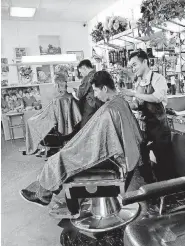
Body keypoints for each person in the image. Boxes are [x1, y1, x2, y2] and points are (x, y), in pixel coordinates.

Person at [20, 71, 148, 215]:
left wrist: (73, 149)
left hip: (110, 158)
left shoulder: (109, 110)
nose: (95, 94)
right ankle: (44, 191)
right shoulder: (120, 102)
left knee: (59, 160)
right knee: (65, 155)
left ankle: (49, 197)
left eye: (96, 90)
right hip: (118, 155)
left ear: (104, 89)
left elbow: (97, 142)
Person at [120, 49, 176, 182]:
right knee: (143, 161)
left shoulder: (158, 78)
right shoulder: (138, 83)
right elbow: (138, 104)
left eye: (134, 64)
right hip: (144, 128)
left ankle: (169, 195)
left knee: (164, 163)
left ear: (145, 62)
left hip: (159, 129)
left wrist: (134, 94)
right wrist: (125, 104)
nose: (133, 68)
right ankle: (152, 191)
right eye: (131, 66)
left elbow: (157, 97)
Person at [24, 74, 82, 155]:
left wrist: (35, 118)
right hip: (65, 125)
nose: (54, 86)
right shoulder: (70, 97)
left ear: (57, 85)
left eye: (54, 84)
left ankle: (39, 146)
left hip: (56, 125)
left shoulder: (57, 99)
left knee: (31, 122)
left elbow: (51, 115)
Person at [73, 59, 102, 128]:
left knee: (85, 127)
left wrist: (74, 92)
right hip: (99, 104)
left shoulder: (88, 77)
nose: (81, 74)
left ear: (84, 68)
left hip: (91, 105)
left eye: (81, 71)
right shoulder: (99, 74)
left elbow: (79, 95)